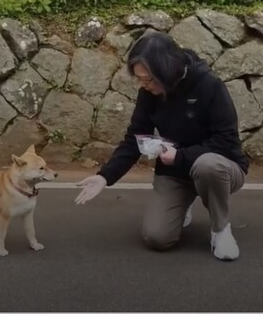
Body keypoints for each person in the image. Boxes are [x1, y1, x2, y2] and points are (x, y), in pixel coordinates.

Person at [73, 31, 249, 261]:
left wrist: (180, 156)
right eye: (140, 79)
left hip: (221, 167)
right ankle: (182, 204)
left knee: (207, 166)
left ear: (167, 70)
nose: (144, 85)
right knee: (157, 237)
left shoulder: (209, 85)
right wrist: (104, 177)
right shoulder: (149, 94)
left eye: (148, 79)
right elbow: (134, 138)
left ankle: (220, 229)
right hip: (175, 172)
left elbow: (226, 140)